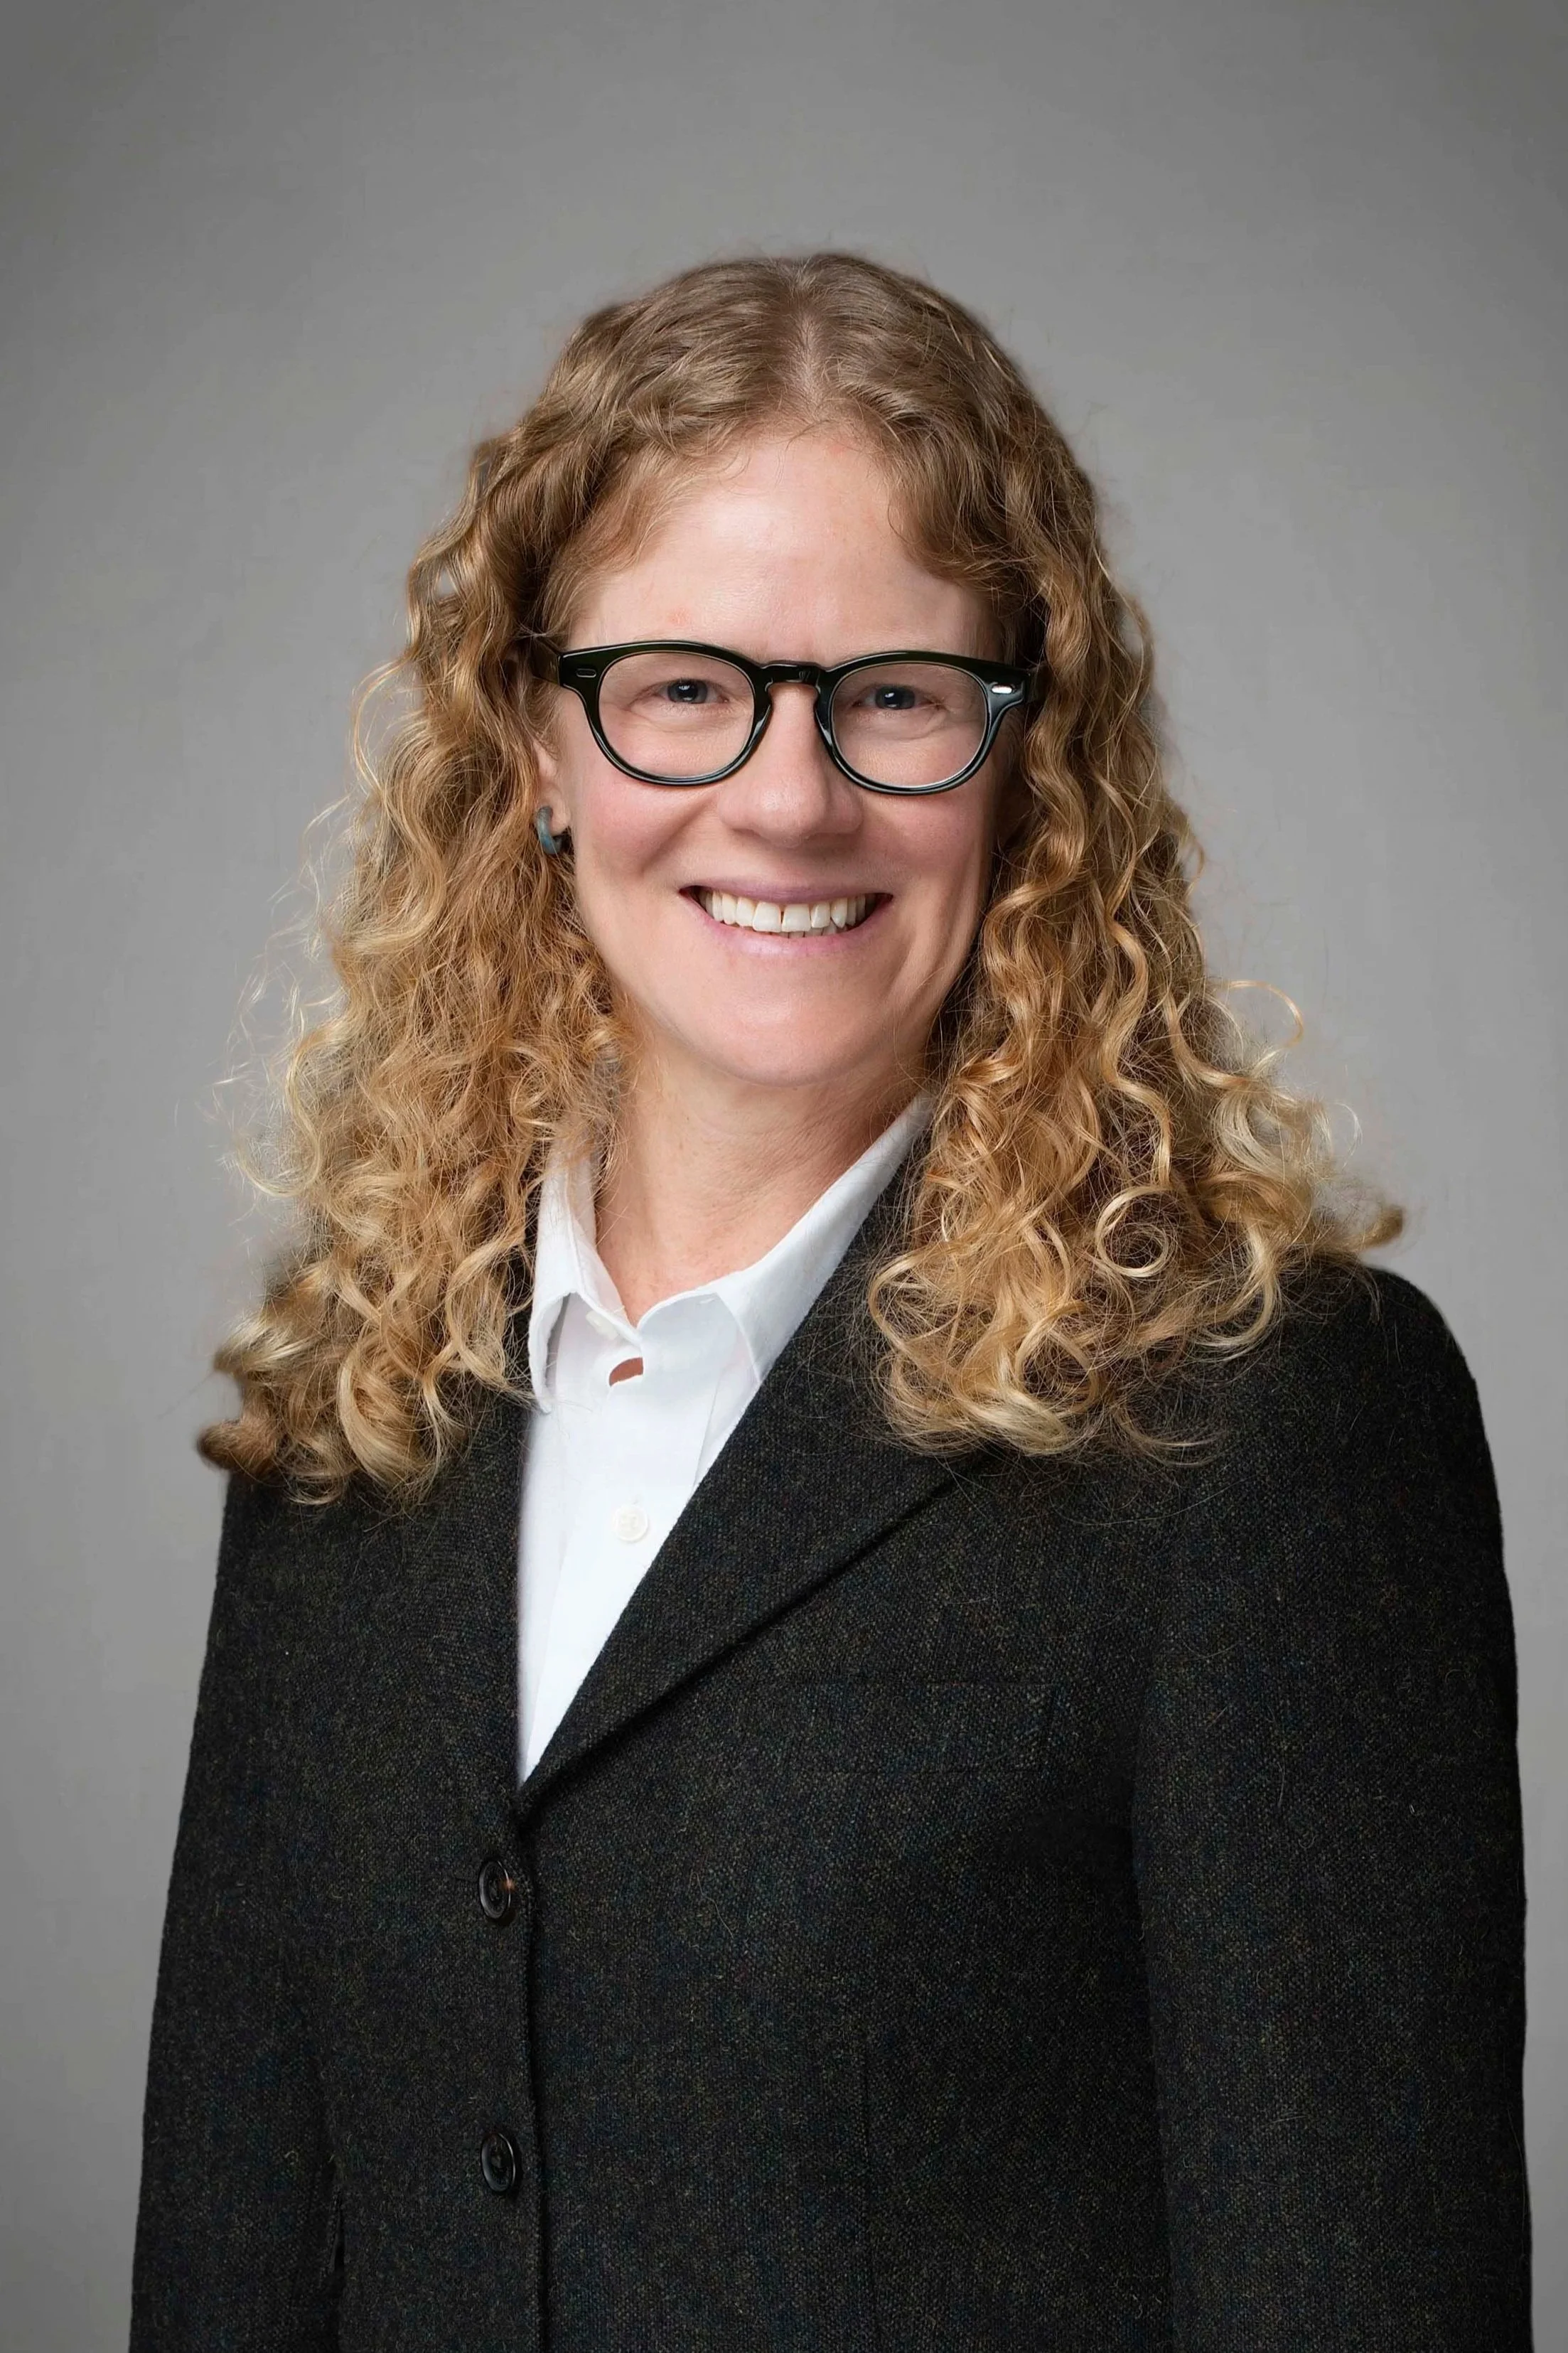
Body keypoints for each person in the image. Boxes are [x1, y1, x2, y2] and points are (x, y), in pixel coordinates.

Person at [129, 253, 1530, 2350]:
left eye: (886, 690)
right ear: (539, 742)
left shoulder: (1264, 1423)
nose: (785, 795)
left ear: (1020, 764)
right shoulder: (365, 1399)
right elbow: (230, 2266)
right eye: (681, 684)